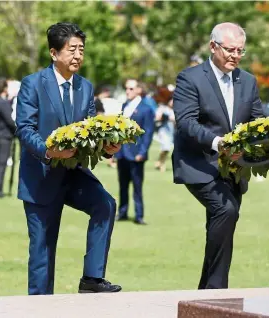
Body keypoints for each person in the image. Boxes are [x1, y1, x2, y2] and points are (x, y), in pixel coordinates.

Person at [15, 22, 122, 295]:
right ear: (54, 53)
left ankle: (92, 279)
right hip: (40, 177)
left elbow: (88, 131)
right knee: (42, 252)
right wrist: (50, 152)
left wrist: (106, 147)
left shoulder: (85, 87)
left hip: (73, 174)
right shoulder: (32, 84)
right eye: (71, 49)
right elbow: (25, 129)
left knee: (105, 205)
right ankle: (39, 307)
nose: (77, 56)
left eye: (81, 50)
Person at [172, 22, 266, 289]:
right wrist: (217, 142)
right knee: (226, 210)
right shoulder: (190, 78)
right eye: (229, 50)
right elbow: (186, 122)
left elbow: (257, 122)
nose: (235, 56)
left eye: (240, 51)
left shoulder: (248, 81)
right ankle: (216, 292)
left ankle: (206, 293)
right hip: (198, 164)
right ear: (213, 47)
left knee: (224, 222)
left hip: (235, 168)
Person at [115, 79, 155, 225]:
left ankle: (139, 215)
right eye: (126, 88)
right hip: (122, 154)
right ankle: (122, 212)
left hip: (136, 154)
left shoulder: (146, 109)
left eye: (131, 89)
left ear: (139, 90)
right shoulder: (124, 106)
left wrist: (143, 152)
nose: (127, 91)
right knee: (122, 186)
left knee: (137, 187)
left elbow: (148, 132)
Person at [154, 87, 175, 172]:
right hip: (163, 130)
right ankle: (162, 164)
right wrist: (163, 117)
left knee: (167, 149)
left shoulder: (174, 111)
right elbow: (157, 118)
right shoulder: (162, 108)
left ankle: (160, 161)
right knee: (166, 147)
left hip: (171, 131)